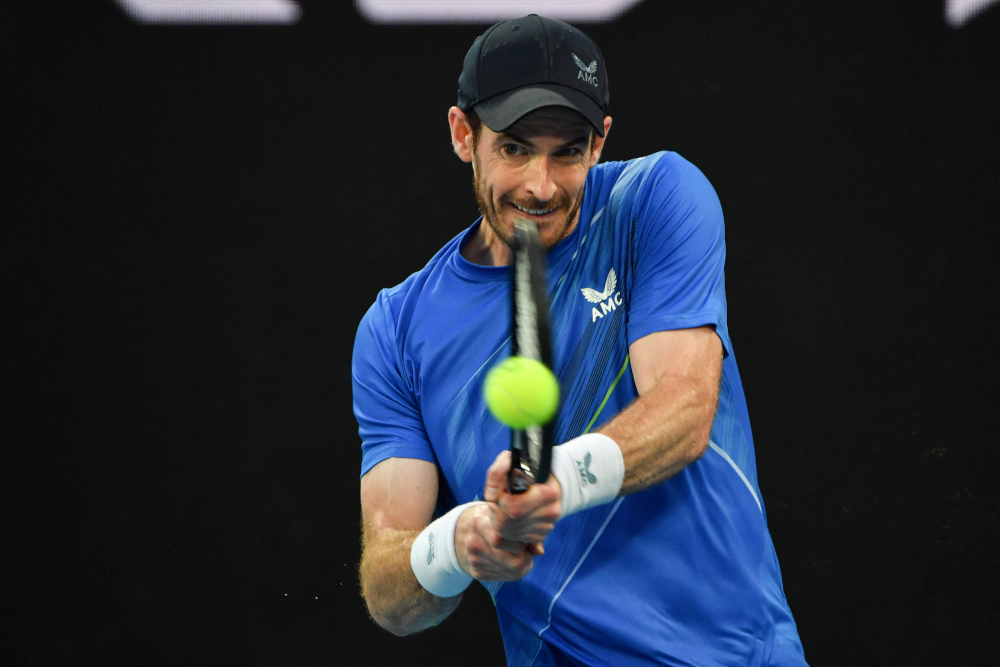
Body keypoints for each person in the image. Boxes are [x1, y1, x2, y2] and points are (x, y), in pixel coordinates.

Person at [352, 14, 808, 667]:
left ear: (599, 143)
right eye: (513, 147)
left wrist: (551, 481)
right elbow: (390, 594)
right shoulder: (394, 331)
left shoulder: (655, 198)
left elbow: (683, 406)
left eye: (567, 150)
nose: (541, 185)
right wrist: (461, 541)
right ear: (463, 134)